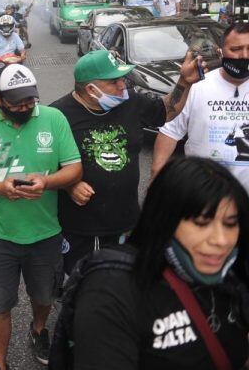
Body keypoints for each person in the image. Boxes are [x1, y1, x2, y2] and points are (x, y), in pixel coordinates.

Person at [70, 157, 249, 369]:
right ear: (165, 220)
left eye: (230, 224)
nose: (220, 240)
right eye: (201, 223)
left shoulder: (235, 275)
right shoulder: (112, 288)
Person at [0, 64, 82, 370]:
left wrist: (47, 182)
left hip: (46, 233)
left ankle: (38, 330)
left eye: (30, 102)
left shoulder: (53, 119)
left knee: (44, 297)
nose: (25, 108)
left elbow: (74, 169)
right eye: (17, 104)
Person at [51, 49, 203, 275]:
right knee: (81, 283)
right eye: (114, 82)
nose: (123, 85)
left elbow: (166, 111)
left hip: (125, 219)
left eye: (122, 78)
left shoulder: (130, 101)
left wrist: (185, 81)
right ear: (91, 89)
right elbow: (42, 164)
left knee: (122, 280)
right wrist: (68, 184)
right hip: (80, 224)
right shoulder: (57, 115)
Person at [152, 23, 249, 190]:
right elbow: (170, 132)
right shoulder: (197, 86)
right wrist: (156, 177)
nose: (244, 56)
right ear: (221, 51)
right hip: (204, 194)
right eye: (236, 49)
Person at [0, 15, 26, 91]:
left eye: (8, 26)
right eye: (3, 26)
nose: (6, 28)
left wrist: (23, 55)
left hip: (11, 64)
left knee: (25, 79)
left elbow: (22, 49)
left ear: (12, 26)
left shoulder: (15, 36)